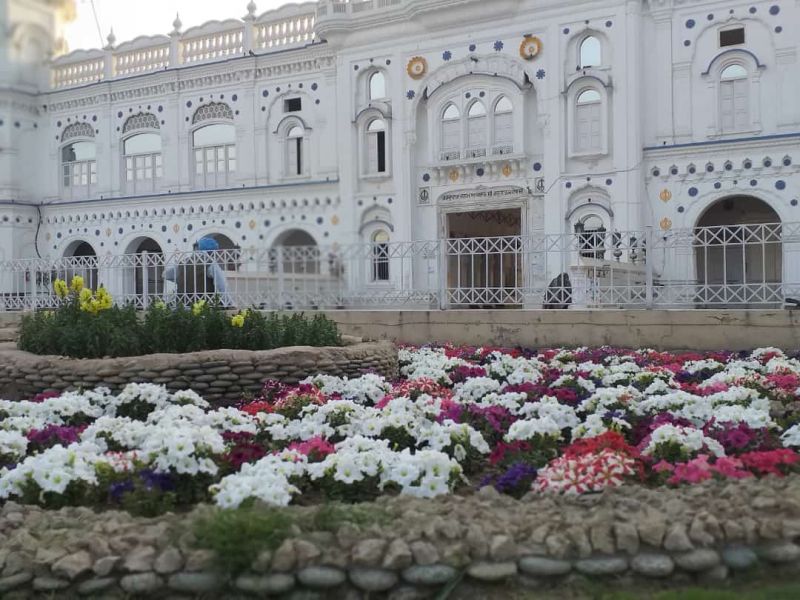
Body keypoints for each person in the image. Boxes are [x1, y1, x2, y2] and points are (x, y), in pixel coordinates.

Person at [164, 237, 231, 306]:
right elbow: (221, 285)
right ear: (212, 252)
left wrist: (180, 279)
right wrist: (228, 302)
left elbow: (165, 275)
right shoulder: (210, 263)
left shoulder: (184, 262)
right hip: (203, 306)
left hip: (183, 304)